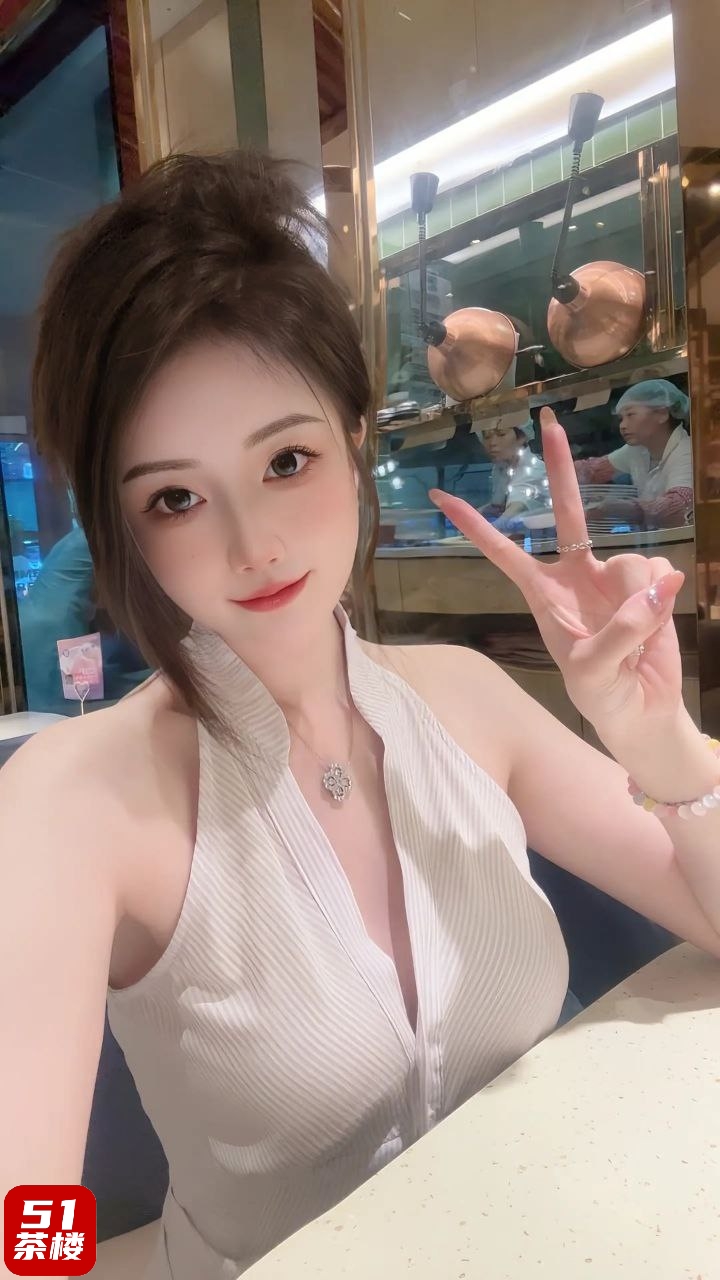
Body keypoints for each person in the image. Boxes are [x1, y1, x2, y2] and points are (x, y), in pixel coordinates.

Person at [2, 152, 719, 1280]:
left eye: (285, 459)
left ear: (351, 437)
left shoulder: (461, 696)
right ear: (120, 522)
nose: (253, 544)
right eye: (176, 496)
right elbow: (22, 1209)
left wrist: (657, 741)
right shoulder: (72, 797)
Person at [18, 525, 152, 713]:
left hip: (35, 614)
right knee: (72, 698)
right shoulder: (106, 533)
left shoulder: (79, 537)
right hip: (62, 617)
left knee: (44, 695)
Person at [574, 379, 693, 530]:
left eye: (630, 415)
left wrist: (622, 508)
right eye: (621, 418)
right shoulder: (638, 450)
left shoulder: (686, 451)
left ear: (662, 414)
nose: (622, 425)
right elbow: (592, 471)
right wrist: (552, 470)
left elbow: (679, 507)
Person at [478, 415, 549, 532]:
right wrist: (476, 514)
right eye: (487, 436)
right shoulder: (500, 468)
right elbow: (498, 505)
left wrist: (483, 531)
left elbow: (516, 507)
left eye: (501, 434)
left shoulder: (534, 468)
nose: (492, 443)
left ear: (522, 437)